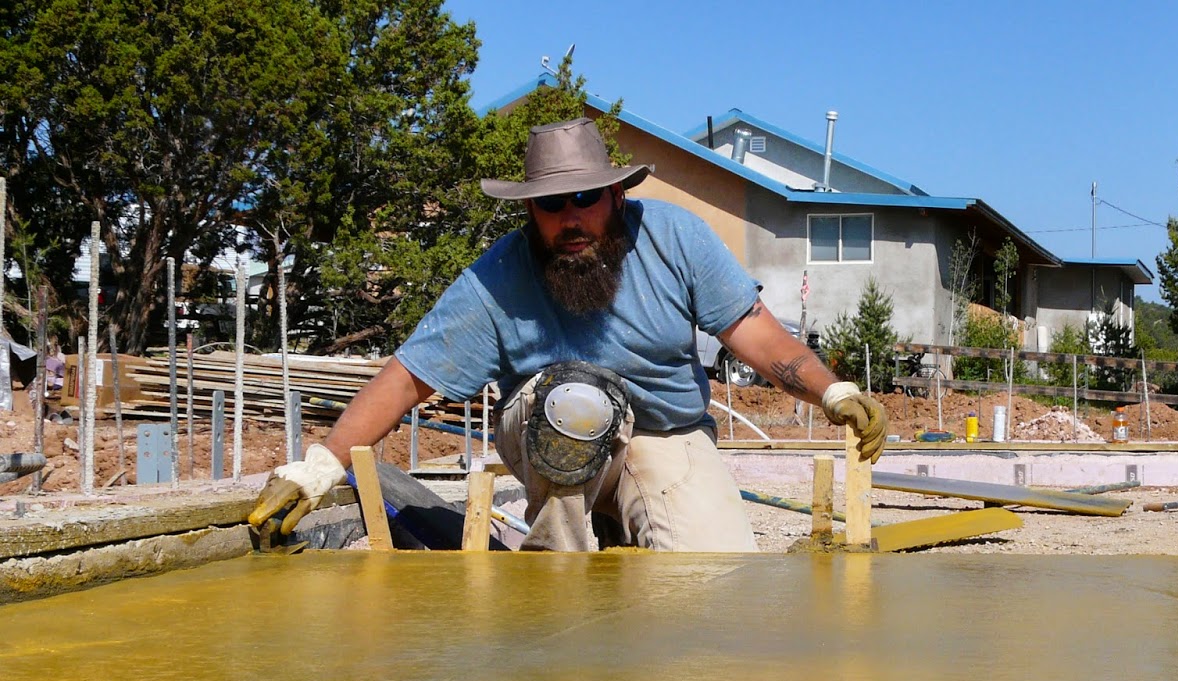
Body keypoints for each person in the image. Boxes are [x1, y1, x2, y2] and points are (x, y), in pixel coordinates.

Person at [249, 117, 886, 551]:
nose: (571, 217)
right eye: (553, 204)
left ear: (614, 195)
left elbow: (757, 335)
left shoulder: (675, 237)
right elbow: (408, 378)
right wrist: (318, 469)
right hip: (551, 430)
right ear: (530, 209)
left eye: (585, 197)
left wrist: (831, 392)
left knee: (715, 582)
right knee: (576, 398)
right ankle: (554, 581)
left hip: (666, 436)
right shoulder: (496, 278)